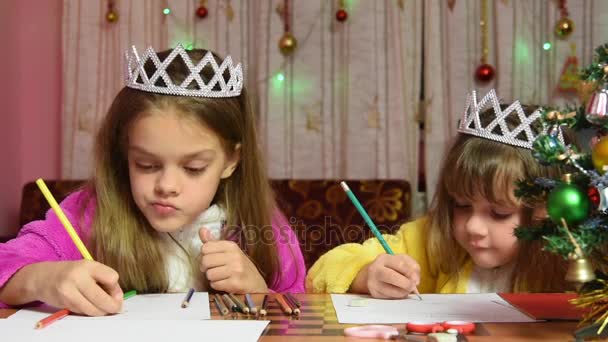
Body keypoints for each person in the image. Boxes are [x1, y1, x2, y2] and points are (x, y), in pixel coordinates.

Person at [0, 44, 305, 316]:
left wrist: (261, 294)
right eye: (146, 164)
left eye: (194, 167)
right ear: (125, 153)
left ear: (231, 161)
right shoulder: (88, 216)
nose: (166, 186)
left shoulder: (262, 225)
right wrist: (41, 279)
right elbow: (7, 265)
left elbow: (300, 311)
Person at [306, 89, 574, 297]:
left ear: (545, 210)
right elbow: (322, 270)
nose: (473, 226)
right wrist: (366, 276)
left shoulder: (572, 262)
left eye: (499, 212)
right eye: (461, 204)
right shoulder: (431, 238)